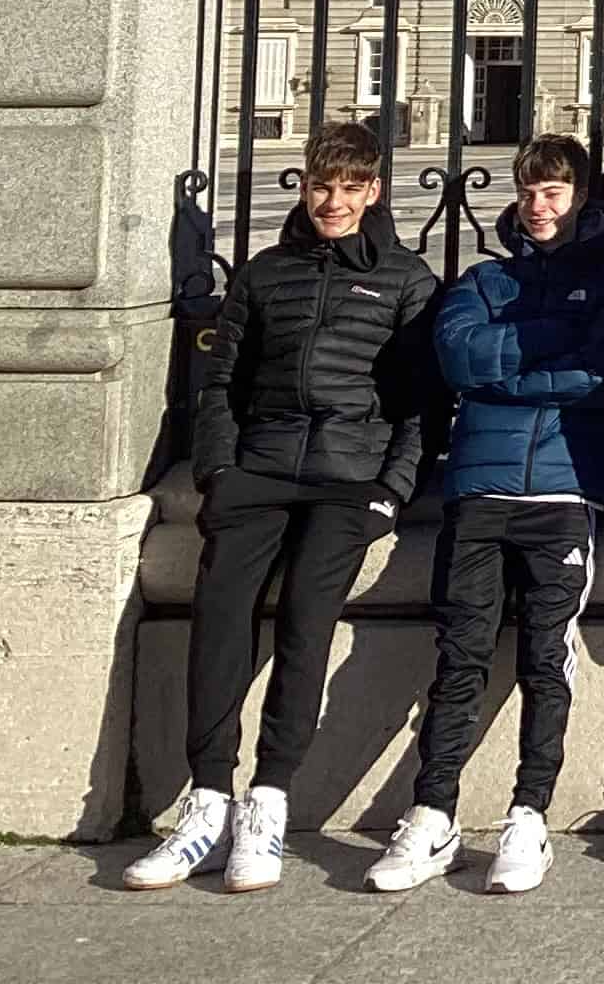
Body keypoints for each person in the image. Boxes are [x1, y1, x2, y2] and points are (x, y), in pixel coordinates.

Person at [129, 119, 438, 893]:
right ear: (304, 185)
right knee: (220, 619)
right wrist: (219, 476)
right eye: (320, 185)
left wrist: (388, 493)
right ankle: (206, 800)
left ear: (374, 191)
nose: (332, 201)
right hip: (259, 473)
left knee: (307, 624)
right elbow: (222, 386)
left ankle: (267, 802)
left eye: (347, 187)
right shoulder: (266, 273)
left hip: (346, 478)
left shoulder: (406, 280)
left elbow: (420, 408)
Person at [369, 134, 604, 895]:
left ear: (582, 197)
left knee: (544, 656)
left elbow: (602, 373)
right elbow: (457, 361)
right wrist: (546, 355)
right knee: (460, 652)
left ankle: (530, 813)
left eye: (554, 190)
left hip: (565, 488)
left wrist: (511, 364)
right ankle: (433, 812)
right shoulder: (484, 279)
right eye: (529, 190)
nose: (538, 203)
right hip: (482, 485)